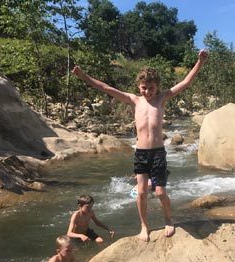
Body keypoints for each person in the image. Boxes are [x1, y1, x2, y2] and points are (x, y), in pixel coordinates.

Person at [72, 49, 209, 241]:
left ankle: (169, 219)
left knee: (160, 192)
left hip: (158, 153)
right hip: (141, 154)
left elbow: (185, 82)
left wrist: (200, 61)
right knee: (142, 192)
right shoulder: (134, 100)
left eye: (151, 88)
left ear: (157, 86)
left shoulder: (163, 98)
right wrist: (83, 76)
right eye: (144, 88)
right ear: (139, 87)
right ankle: (144, 226)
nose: (147, 92)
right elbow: (105, 88)